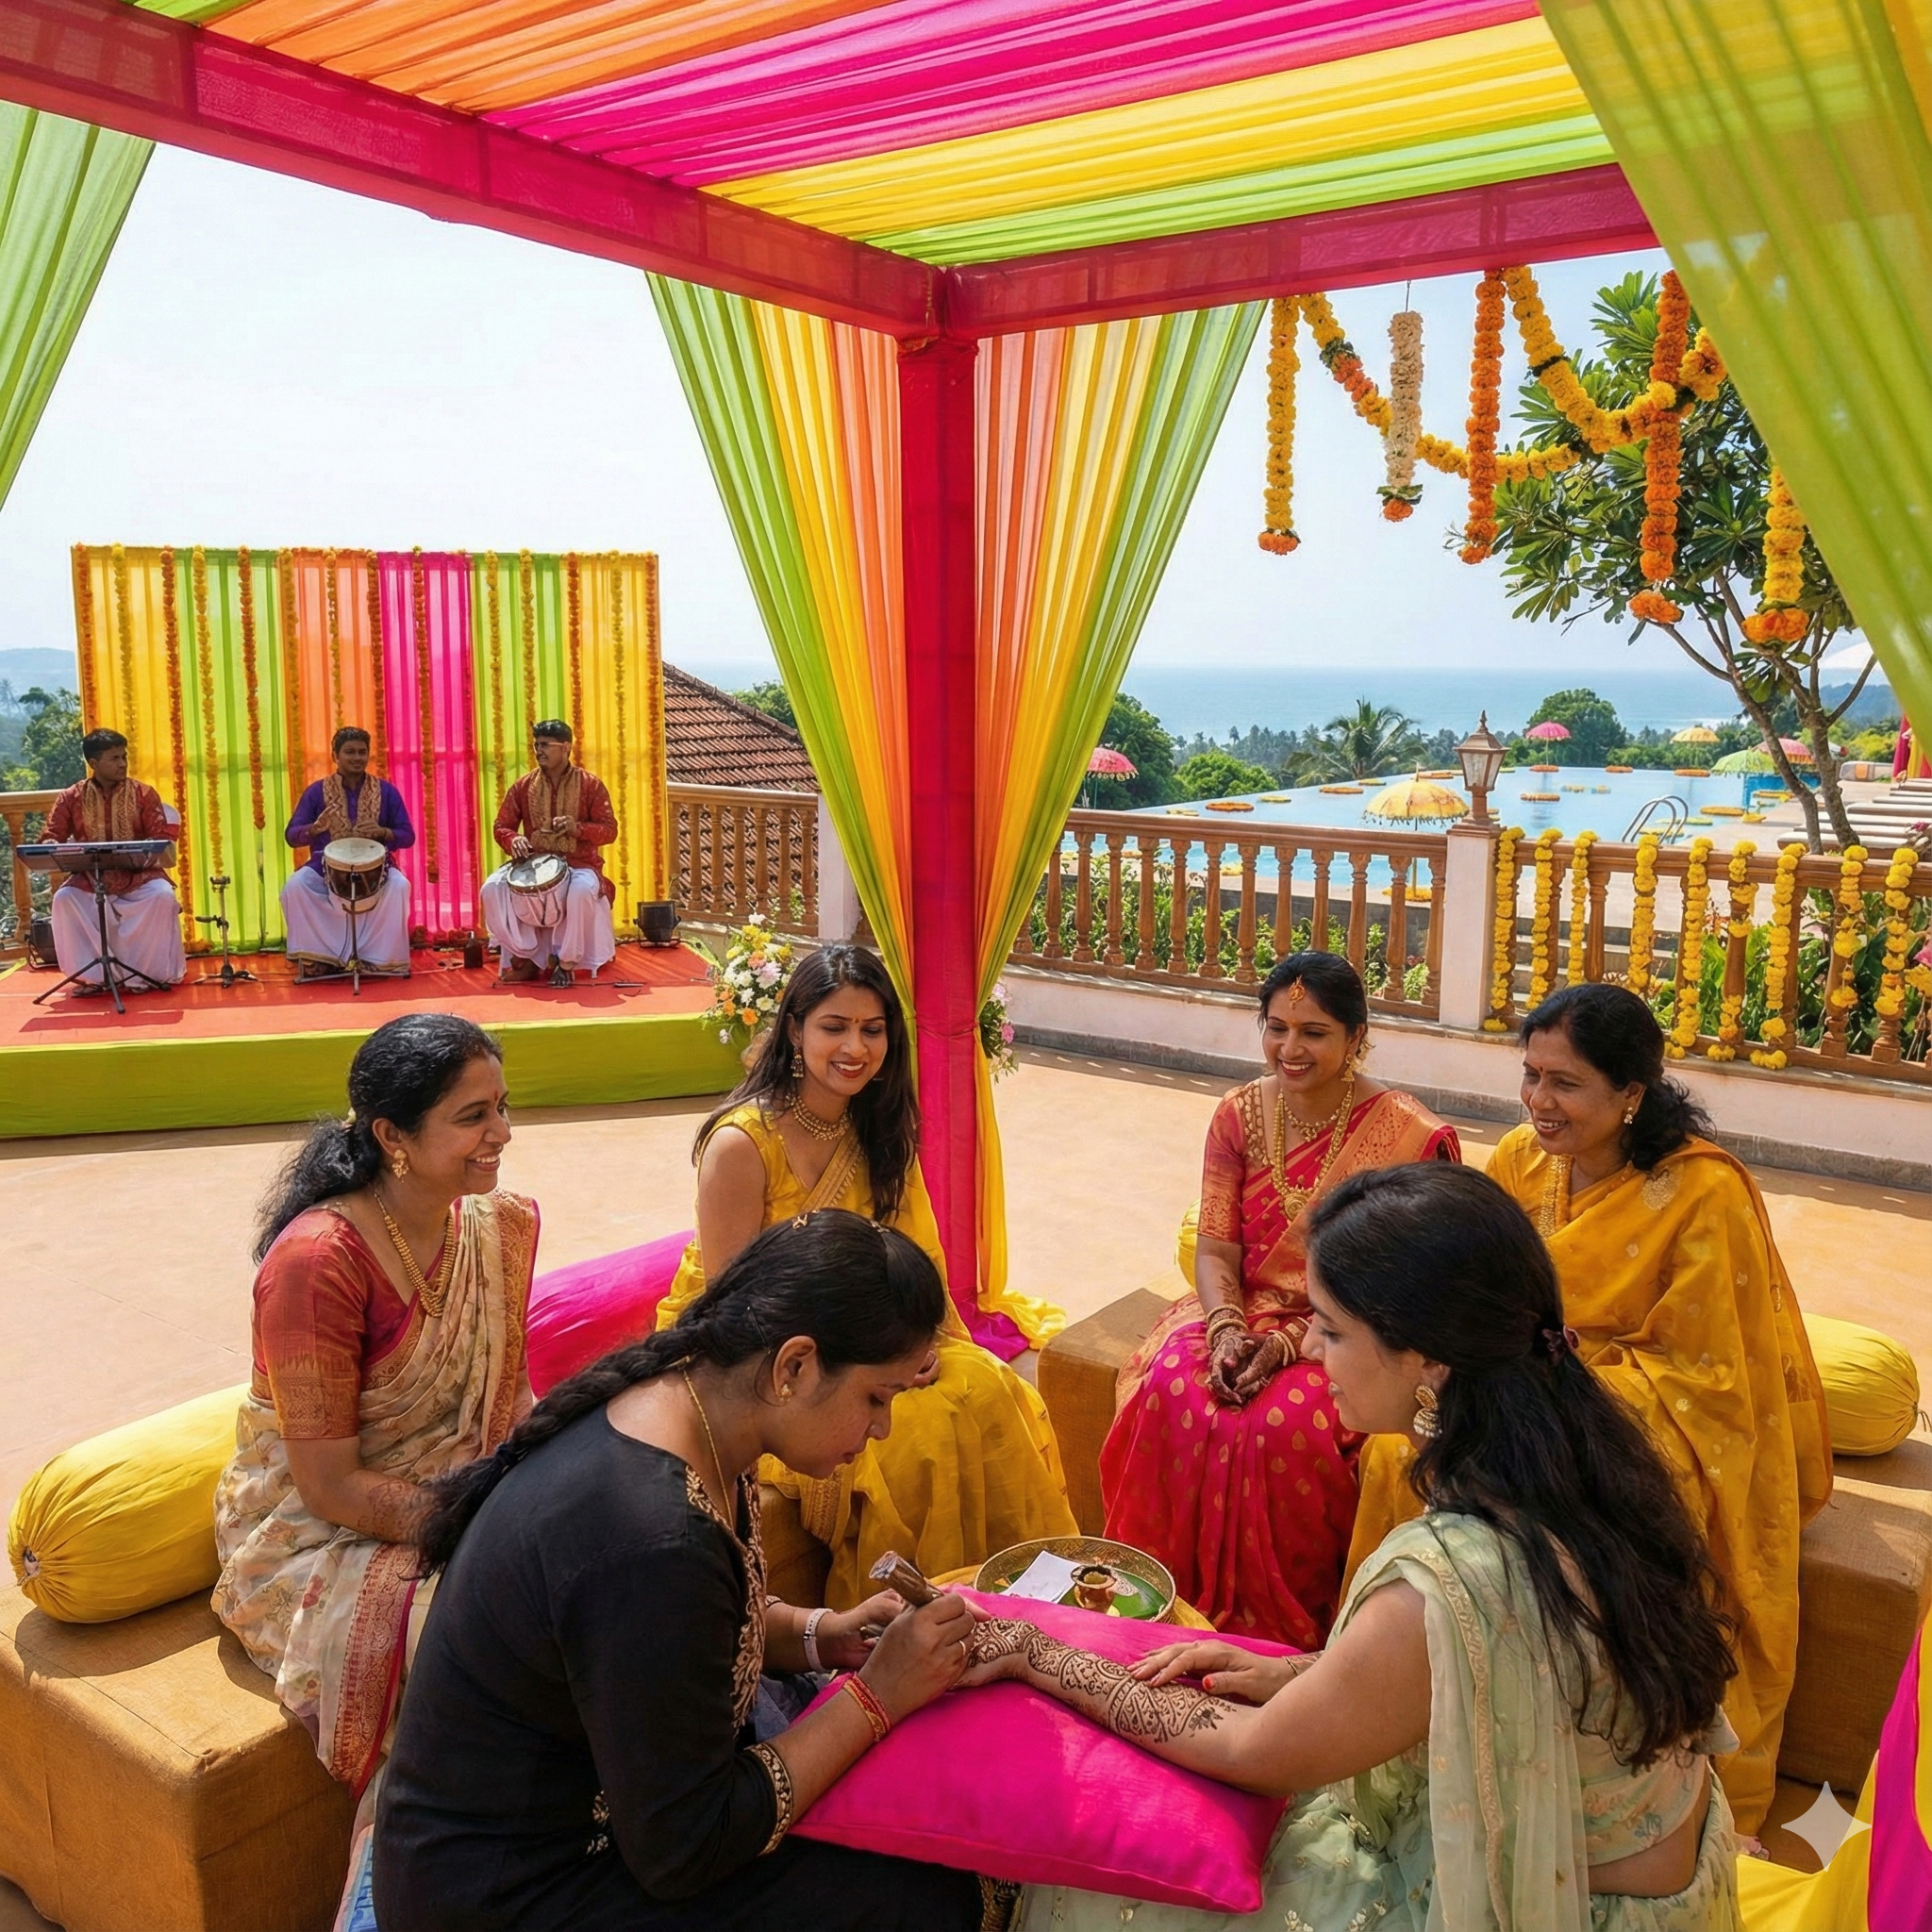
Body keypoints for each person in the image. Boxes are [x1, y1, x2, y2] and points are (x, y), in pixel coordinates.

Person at [968, 1163, 1743, 1932]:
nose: (1309, 1350)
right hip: (1665, 1892)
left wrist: (1037, 1655)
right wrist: (1305, 1674)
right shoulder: (1584, 1455)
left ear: (1431, 1359)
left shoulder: (1446, 1576)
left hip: (1563, 1910)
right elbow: (1506, 1683)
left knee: (1115, 1883)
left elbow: (1257, 1753)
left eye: (1333, 1331)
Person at [375, 1211, 1000, 1931]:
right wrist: (879, 1697)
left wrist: (824, 1634)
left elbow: (689, 1639)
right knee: (924, 1892)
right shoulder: (652, 1538)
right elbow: (686, 1849)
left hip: (585, 1829)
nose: (882, 1428)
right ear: (795, 1366)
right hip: (514, 1892)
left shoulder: (689, 1417)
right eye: (877, 1398)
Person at [1347, 982, 1830, 1837]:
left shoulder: (1702, 1193)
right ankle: (1403, 1686)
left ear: (1631, 1094)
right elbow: (1472, 1297)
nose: (1538, 1101)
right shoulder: (1522, 1163)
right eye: (1530, 1076)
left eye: (1565, 1084)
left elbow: (1709, 1378)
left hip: (1653, 1411)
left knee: (1554, 1480)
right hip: (1518, 1382)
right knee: (1400, 1450)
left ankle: (1562, 1721)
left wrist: (1550, 1391)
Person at [657, 943, 1077, 1607]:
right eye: (835, 1027)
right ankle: (916, 1624)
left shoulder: (877, 1131)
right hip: (771, 1360)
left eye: (872, 1029)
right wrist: (864, 1365)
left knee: (989, 1389)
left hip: (874, 1341)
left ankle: (1024, 1604)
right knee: (916, 1437)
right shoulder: (742, 1143)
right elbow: (737, 1307)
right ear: (794, 1029)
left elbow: (919, 1263)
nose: (855, 1047)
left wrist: (923, 1346)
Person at [212, 1013, 536, 1797]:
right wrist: (482, 1529)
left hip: (457, 1489)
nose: (502, 1134)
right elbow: (329, 1486)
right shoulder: (317, 1264)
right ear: (393, 1134)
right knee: (495, 1641)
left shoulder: (493, 1225)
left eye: (501, 1106)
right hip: (311, 1534)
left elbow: (511, 1399)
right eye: (473, 1117)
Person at [1100, 953, 1457, 1648]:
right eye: (1277, 1028)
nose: (1290, 1050)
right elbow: (1215, 1251)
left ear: (1358, 1038)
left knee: (1287, 1426)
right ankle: (1157, 1608)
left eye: (1315, 1032)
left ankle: (1284, 1641)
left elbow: (1406, 1289)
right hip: (1240, 1306)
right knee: (1173, 1387)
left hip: (1358, 1328)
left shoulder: (1409, 1137)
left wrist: (1296, 1342)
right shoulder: (1236, 1115)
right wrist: (1228, 1328)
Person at [44, 726, 184, 991]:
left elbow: (158, 837)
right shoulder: (71, 797)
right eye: (115, 759)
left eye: (124, 757)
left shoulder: (144, 793)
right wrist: (51, 842)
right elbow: (52, 833)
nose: (123, 764)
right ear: (94, 763)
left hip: (139, 876)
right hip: (90, 877)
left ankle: (144, 976)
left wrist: (149, 846)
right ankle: (93, 978)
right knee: (65, 899)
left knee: (162, 896)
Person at [480, 719, 617, 985]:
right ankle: (528, 956)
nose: (538, 751)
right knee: (491, 888)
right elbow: (501, 826)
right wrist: (513, 839)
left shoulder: (590, 785)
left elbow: (609, 830)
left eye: (545, 745)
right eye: (535, 745)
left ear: (566, 747)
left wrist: (577, 828)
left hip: (579, 863)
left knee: (578, 892)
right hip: (533, 863)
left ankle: (565, 964)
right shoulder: (524, 785)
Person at [282, 724, 415, 978]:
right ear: (335, 756)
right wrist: (314, 828)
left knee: (399, 886)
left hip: (378, 867)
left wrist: (382, 832)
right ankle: (320, 957)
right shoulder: (316, 792)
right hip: (325, 866)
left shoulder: (386, 792)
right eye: (350, 752)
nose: (357, 758)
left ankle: (380, 959)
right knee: (295, 887)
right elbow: (291, 836)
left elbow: (407, 836)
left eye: (362, 752)